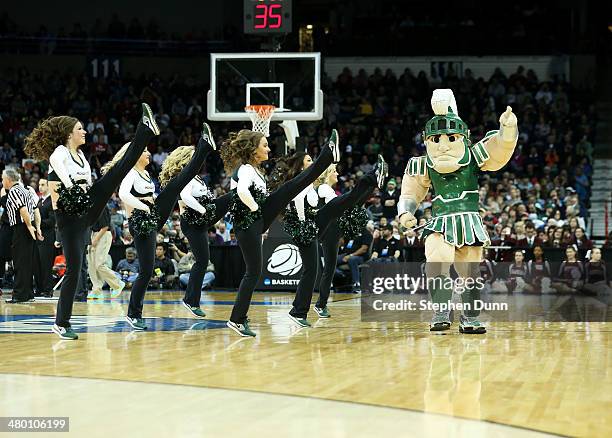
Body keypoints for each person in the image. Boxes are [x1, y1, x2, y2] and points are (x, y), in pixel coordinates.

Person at [24, 103, 160, 340]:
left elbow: (86, 183)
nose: (84, 132)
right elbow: (65, 179)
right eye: (80, 129)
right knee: (74, 271)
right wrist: (78, 194)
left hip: (85, 208)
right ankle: (61, 323)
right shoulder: (60, 153)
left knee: (118, 171)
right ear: (69, 134)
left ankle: (144, 129)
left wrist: (88, 194)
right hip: (67, 216)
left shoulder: (82, 157)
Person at [398, 89, 518, 333]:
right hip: (440, 221)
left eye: (451, 138)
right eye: (436, 139)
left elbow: (498, 150)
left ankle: (469, 317)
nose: (443, 146)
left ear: (464, 137)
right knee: (438, 260)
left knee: (470, 271)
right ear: (427, 140)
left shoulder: (474, 156)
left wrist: (507, 131)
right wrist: (406, 212)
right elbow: (410, 192)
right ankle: (441, 312)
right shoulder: (422, 164)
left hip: (469, 220)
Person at [221, 128, 340, 337]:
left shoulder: (257, 170)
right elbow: (241, 191)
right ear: (253, 150)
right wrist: (257, 211)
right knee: (253, 273)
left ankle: (238, 318)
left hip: (255, 223)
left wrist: (260, 223)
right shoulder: (247, 169)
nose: (268, 148)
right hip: (250, 221)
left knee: (293, 187)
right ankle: (236, 319)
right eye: (264, 145)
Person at [269, 152, 386, 326]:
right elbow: (298, 204)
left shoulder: (311, 186)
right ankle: (373, 176)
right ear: (301, 167)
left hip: (319, 224)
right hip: (311, 227)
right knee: (315, 270)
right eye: (309, 160)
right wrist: (303, 224)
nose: (313, 163)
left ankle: (300, 311)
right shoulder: (312, 186)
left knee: (314, 270)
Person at [117, 123, 213, 330]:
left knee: (176, 185)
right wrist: (144, 205)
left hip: (151, 217)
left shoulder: (145, 175)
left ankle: (203, 146)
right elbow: (123, 195)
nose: (148, 153)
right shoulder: (131, 173)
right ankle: (133, 314)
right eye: (143, 151)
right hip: (140, 222)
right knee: (146, 271)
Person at [177, 130, 234, 317]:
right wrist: (202, 210)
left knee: (202, 261)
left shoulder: (196, 177)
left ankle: (191, 300)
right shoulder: (185, 175)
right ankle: (190, 301)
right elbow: (185, 196)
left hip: (201, 219)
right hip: (193, 221)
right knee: (202, 261)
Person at [3, 168, 40, 303]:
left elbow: (23, 209)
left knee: (19, 263)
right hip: (28, 227)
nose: (2, 182)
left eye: (2, 179)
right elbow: (36, 210)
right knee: (27, 263)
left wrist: (30, 226)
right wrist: (37, 227)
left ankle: (19, 295)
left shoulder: (14, 191)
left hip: (21, 228)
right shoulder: (26, 190)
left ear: (8, 179)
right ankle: (28, 293)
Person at [87, 204, 125, 299]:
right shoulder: (89, 206)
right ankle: (96, 290)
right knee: (92, 265)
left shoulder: (102, 206)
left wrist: (95, 239)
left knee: (99, 264)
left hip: (103, 234)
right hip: (92, 234)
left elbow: (105, 226)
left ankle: (117, 283)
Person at [33, 178, 55, 298]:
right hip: (37, 237)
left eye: (42, 185)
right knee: (37, 264)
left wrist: (37, 223)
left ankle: (48, 289)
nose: (40, 187)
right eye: (39, 185)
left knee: (46, 264)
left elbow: (52, 221)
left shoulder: (51, 201)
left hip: (47, 237)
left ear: (48, 186)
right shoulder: (39, 201)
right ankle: (39, 288)